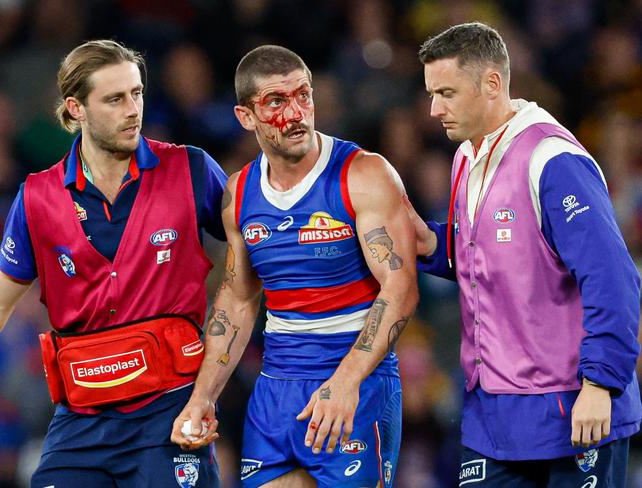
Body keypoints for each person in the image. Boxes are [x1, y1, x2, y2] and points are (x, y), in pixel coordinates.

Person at [170, 45, 418, 488]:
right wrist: (203, 397)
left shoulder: (363, 175)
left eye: (304, 96)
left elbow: (400, 290)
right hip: (276, 389)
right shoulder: (239, 194)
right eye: (276, 102)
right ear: (246, 117)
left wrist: (346, 383)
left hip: (355, 381)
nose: (296, 112)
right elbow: (238, 299)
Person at [406, 21, 641, 487]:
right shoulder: (467, 156)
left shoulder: (552, 160)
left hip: (572, 407)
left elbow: (612, 276)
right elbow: (498, 255)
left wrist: (600, 384)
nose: (434, 109)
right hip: (493, 414)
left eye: (447, 93)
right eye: (433, 93)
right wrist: (432, 245)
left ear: (492, 84)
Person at [0, 40, 227, 487]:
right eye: (115, 99)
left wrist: (209, 391)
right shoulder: (37, 197)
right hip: (80, 422)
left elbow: (256, 252)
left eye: (137, 93)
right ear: (75, 108)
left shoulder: (190, 169)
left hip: (170, 415)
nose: (132, 109)